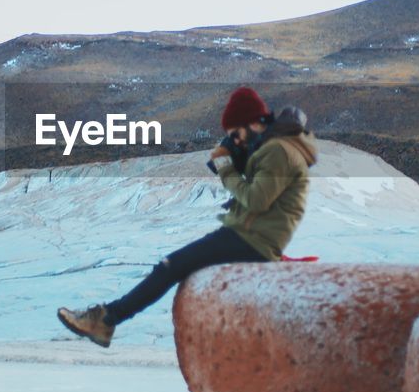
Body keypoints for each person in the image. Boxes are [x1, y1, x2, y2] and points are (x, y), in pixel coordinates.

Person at [57, 86, 318, 347]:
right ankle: (107, 319)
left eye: (236, 134)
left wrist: (227, 169)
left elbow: (257, 200)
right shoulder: (277, 148)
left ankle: (105, 320)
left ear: (252, 123)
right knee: (177, 270)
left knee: (169, 267)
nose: (237, 142)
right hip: (253, 236)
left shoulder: (277, 151)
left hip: (251, 239)